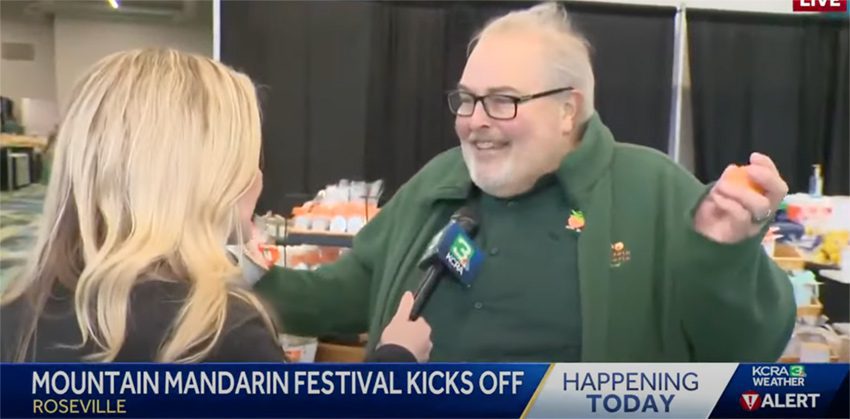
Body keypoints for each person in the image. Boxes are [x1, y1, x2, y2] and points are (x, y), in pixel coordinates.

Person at [252, 2, 795, 362]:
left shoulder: (653, 191)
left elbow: (749, 350)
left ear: (567, 110)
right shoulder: (439, 182)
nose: (474, 121)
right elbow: (345, 294)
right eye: (467, 99)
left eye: (502, 101)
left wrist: (726, 255)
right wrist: (239, 277)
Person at [0, 49, 431, 363]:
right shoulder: (217, 335)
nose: (257, 178)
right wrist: (395, 361)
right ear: (206, 182)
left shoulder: (16, 315)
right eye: (244, 159)